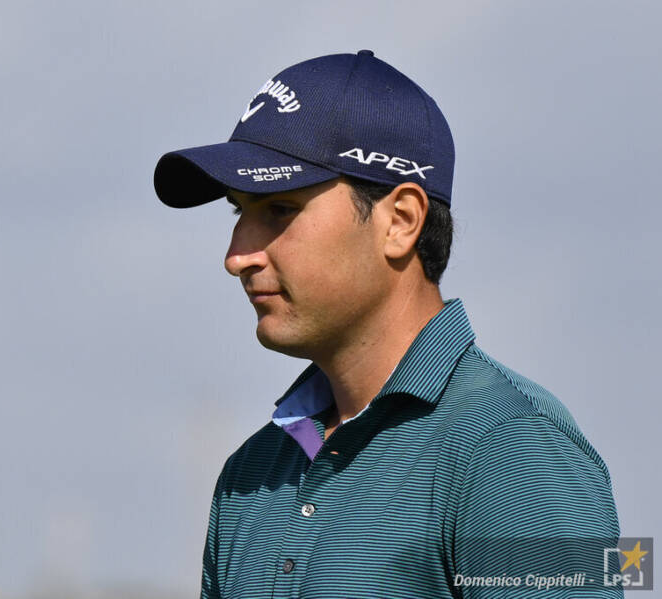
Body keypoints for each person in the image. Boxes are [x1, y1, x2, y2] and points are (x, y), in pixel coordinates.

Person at [153, 51, 622, 598]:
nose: (237, 257)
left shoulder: (514, 450)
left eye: (279, 209)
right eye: (239, 212)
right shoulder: (250, 473)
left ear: (400, 222)